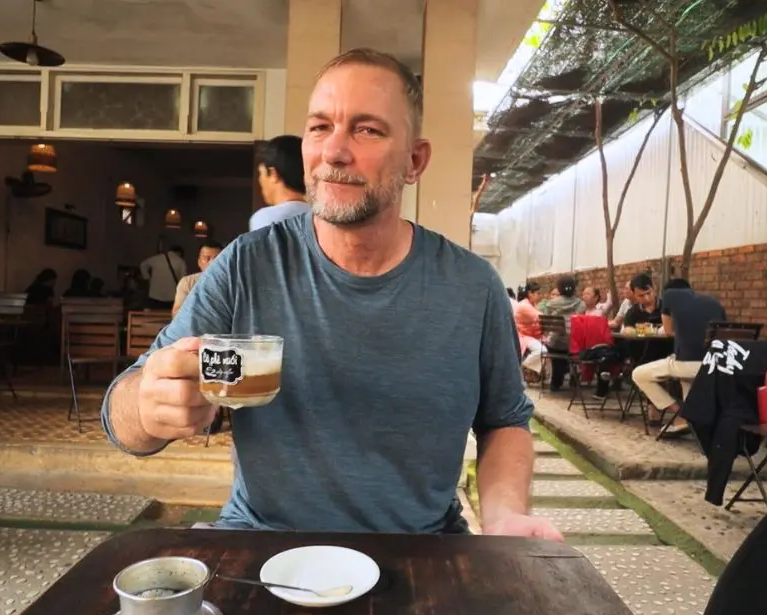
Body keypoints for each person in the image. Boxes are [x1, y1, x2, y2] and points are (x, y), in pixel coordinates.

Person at [100, 47, 560, 540]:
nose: (334, 151)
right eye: (320, 127)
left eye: (367, 130)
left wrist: (506, 514)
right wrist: (149, 409)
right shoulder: (246, 266)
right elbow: (120, 414)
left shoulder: (472, 287)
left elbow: (505, 421)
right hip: (263, 540)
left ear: (415, 160)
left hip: (420, 549)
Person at [632, 278, 726, 436]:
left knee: (639, 374)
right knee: (686, 378)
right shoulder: (714, 303)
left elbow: (668, 331)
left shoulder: (670, 295)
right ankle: (690, 420)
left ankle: (681, 412)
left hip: (687, 363)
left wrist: (681, 334)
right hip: (714, 363)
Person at [249, 135, 312, 231]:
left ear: (273, 174)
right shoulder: (321, 217)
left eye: (261, 173)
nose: (260, 180)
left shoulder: (265, 219)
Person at [543, 275, 586, 391]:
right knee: (567, 341)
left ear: (559, 289)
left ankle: (556, 381)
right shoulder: (581, 304)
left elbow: (547, 327)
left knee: (553, 342)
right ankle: (570, 371)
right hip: (574, 345)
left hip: (555, 344)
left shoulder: (550, 304)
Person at [172, 241, 223, 316]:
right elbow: (177, 313)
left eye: (217, 258)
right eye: (207, 258)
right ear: (199, 262)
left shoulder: (233, 283)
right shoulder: (188, 282)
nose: (212, 262)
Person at [140, 245, 186, 310]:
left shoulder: (157, 258)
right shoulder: (181, 262)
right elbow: (183, 280)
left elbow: (143, 265)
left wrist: (147, 278)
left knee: (155, 318)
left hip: (154, 295)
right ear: (179, 253)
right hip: (172, 296)